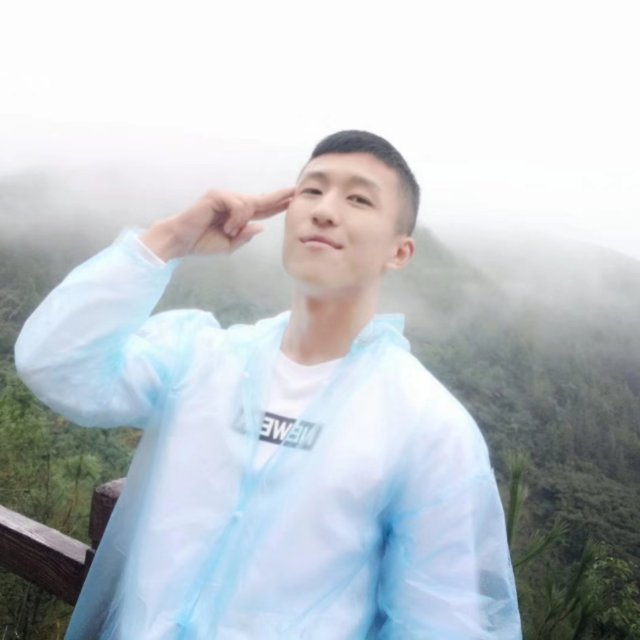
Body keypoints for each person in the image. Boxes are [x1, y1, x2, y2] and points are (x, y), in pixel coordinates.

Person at [14, 130, 522, 639]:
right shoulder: (201, 359)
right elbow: (57, 366)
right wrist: (170, 240)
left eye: (358, 199)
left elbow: (445, 622)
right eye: (312, 190)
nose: (324, 210)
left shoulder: (427, 426)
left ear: (400, 252)